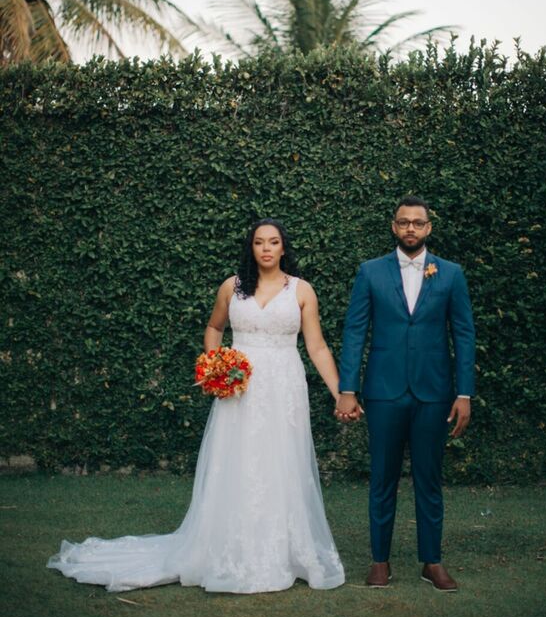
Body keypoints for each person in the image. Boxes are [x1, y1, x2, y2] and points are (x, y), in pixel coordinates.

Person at [48, 219, 346, 593]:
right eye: (259, 242)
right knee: (237, 461)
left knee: (281, 461)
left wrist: (340, 392)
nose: (266, 249)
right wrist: (217, 364)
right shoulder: (232, 287)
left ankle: (283, 549)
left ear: (284, 248)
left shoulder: (302, 291)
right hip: (241, 387)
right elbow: (214, 328)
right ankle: (228, 547)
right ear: (250, 248)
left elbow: (317, 347)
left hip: (284, 386)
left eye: (273, 242)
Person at [336, 196, 475, 591]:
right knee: (382, 478)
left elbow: (463, 335)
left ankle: (432, 562)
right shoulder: (370, 272)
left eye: (418, 222)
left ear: (429, 228)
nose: (411, 228)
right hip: (383, 392)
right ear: (394, 227)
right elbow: (354, 331)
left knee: (429, 479)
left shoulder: (450, 274)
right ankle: (380, 561)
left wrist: (464, 392)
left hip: (434, 394)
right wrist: (349, 388)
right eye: (404, 222)